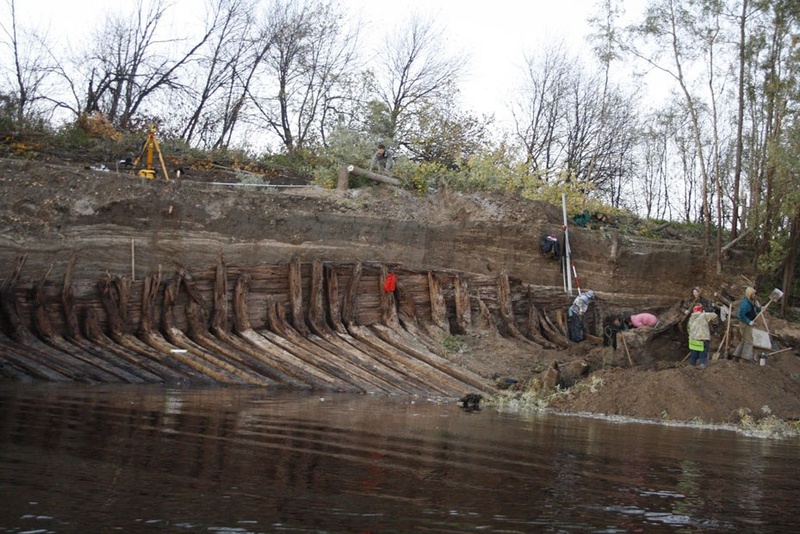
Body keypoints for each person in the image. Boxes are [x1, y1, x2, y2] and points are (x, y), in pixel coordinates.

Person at [733, 287, 761, 362]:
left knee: (744, 339)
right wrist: (748, 321)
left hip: (748, 323)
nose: (754, 295)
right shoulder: (745, 304)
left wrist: (761, 308)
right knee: (748, 340)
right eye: (753, 294)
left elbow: (755, 309)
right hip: (744, 324)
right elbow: (741, 315)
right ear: (749, 294)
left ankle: (736, 355)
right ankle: (745, 358)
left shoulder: (751, 301)